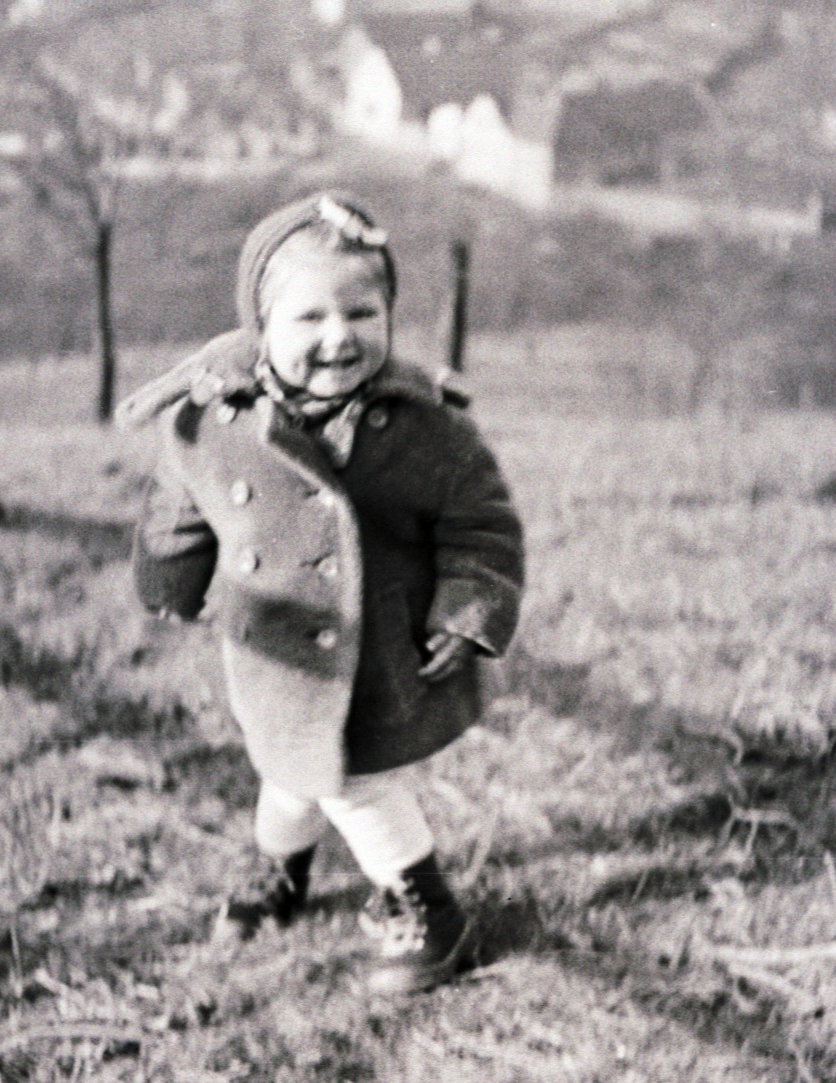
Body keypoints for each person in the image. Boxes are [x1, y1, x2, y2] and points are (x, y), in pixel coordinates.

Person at [119, 192, 525, 995]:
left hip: (377, 652)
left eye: (361, 312)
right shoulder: (213, 421)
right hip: (272, 649)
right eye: (309, 318)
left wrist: (467, 605)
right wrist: (168, 579)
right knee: (289, 770)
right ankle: (283, 875)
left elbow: (481, 524)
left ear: (387, 314)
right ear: (259, 326)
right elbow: (181, 508)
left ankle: (429, 913)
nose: (339, 337)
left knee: (353, 779)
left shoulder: (423, 427)